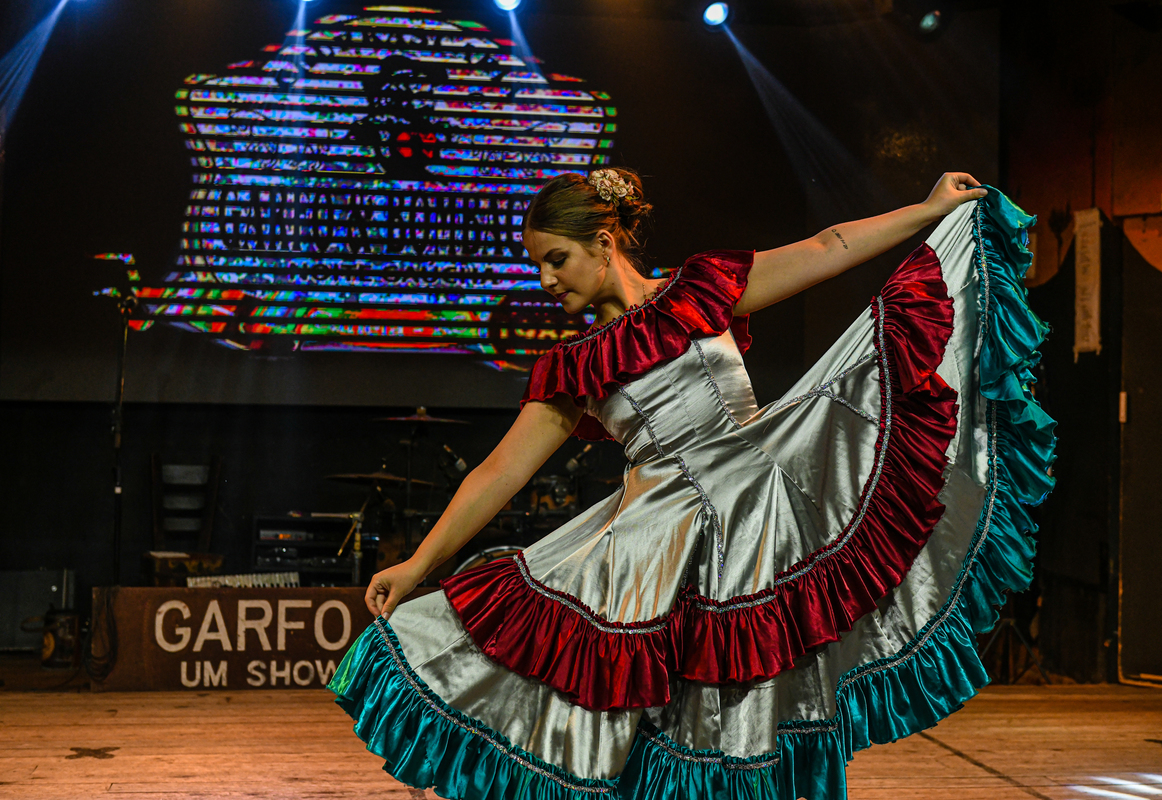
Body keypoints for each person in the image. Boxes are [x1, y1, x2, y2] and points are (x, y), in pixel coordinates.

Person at [329, 168, 1056, 800]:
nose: (546, 280)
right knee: (683, 722)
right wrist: (422, 563)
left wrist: (926, 211)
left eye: (556, 260)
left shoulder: (701, 289)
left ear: (603, 245)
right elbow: (500, 472)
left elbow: (827, 248)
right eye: (539, 266)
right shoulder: (575, 366)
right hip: (662, 541)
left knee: (755, 711)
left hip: (762, 509)